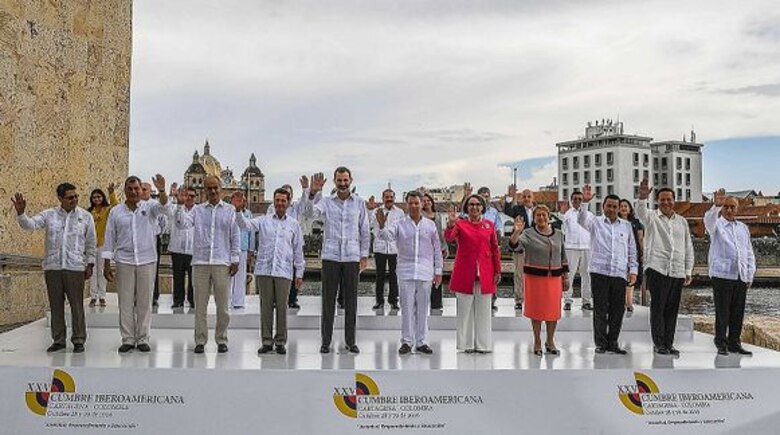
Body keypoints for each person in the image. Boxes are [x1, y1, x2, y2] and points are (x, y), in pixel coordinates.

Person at [13, 184, 97, 353]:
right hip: (53, 267)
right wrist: (21, 213)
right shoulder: (49, 215)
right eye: (70, 197)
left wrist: (90, 264)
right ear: (60, 198)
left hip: (75, 267)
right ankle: (58, 340)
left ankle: (78, 339)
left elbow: (91, 242)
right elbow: (30, 224)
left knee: (77, 306)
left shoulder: (85, 216)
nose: (74, 200)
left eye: (76, 196)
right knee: (56, 305)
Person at [299, 168, 370, 354]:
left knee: (351, 301)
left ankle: (350, 341)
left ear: (350, 180)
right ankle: (326, 341)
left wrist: (364, 255)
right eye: (339, 180)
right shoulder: (326, 202)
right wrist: (311, 193)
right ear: (334, 181)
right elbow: (309, 214)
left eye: (345, 180)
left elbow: (364, 229)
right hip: (331, 256)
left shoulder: (359, 203)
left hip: (351, 256)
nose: (343, 184)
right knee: (328, 301)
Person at [103, 175, 169, 353]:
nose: (133, 192)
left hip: (146, 260)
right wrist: (106, 263)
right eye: (130, 189)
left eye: (136, 189)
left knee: (144, 302)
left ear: (141, 190)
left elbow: (164, 206)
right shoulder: (116, 212)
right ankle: (128, 338)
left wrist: (162, 190)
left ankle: (143, 338)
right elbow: (109, 237)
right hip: (124, 261)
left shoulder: (150, 207)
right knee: (125, 302)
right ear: (125, 190)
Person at [175, 175, 240, 354]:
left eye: (215, 187)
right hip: (201, 263)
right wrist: (180, 205)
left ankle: (222, 339)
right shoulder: (197, 210)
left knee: (223, 307)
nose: (212, 191)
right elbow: (181, 224)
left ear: (220, 188)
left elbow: (235, 235)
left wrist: (235, 259)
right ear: (204, 190)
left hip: (221, 262)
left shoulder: (230, 210)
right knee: (200, 306)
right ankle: (200, 340)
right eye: (209, 188)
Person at [237, 187, 305, 355]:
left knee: (282, 308)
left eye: (283, 201)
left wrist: (299, 273)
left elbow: (298, 250)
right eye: (277, 200)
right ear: (273, 202)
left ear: (288, 203)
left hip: (284, 271)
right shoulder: (263, 220)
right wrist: (238, 211)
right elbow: (245, 225)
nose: (280, 203)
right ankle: (266, 341)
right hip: (265, 270)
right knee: (265, 307)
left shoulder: (294, 224)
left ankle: (280, 341)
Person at [377, 191, 443, 354]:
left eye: (416, 203)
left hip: (425, 272)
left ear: (422, 204)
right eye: (411, 203)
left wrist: (438, 271)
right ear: (407, 205)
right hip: (406, 272)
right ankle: (407, 341)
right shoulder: (400, 224)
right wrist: (381, 226)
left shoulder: (430, 225)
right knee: (406, 309)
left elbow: (437, 249)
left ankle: (421, 341)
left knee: (423, 309)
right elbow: (387, 236)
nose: (414, 206)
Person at [635, 180, 694, 356]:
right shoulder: (651, 217)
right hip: (657, 268)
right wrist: (642, 197)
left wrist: (688, 270)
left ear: (674, 201)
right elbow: (640, 212)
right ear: (657, 201)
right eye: (662, 199)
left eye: (669, 199)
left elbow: (688, 246)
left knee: (672, 310)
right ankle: (659, 343)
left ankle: (669, 343)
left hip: (677, 270)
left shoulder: (682, 222)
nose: (666, 202)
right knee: (658, 308)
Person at [578, 185, 637, 355]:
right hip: (599, 272)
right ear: (603, 207)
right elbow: (581, 220)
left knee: (618, 310)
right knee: (600, 309)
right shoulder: (595, 222)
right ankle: (601, 343)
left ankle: (613, 342)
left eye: (614, 206)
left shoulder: (626, 226)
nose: (611, 209)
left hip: (619, 273)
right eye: (608, 206)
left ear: (619, 208)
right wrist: (585, 203)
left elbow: (632, 249)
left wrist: (633, 270)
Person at [444, 195, 501, 354]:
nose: (474, 207)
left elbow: (495, 249)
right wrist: (451, 223)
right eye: (471, 204)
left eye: (477, 204)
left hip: (486, 272)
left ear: (482, 207)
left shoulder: (489, 225)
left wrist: (498, 270)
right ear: (466, 207)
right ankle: (466, 344)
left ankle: (483, 345)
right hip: (465, 272)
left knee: (484, 312)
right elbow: (449, 237)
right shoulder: (460, 224)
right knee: (464, 311)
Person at [509, 206, 568, 356]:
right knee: (536, 311)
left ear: (549, 217)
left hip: (554, 278)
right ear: (534, 218)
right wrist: (516, 231)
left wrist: (565, 276)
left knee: (553, 312)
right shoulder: (528, 233)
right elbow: (514, 246)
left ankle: (550, 341)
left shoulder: (559, 234)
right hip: (534, 279)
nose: (541, 218)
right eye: (538, 215)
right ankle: (537, 341)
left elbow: (563, 255)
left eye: (544, 215)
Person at [705, 189, 756, 356]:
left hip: (740, 275)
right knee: (722, 311)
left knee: (737, 311)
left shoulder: (743, 228)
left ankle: (735, 342)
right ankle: (721, 342)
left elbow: (748, 252)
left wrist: (749, 274)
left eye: (732, 207)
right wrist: (716, 206)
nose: (728, 210)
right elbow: (708, 221)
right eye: (726, 206)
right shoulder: (716, 225)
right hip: (722, 275)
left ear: (737, 209)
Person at [266, 179, 308, 309]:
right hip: (279, 243)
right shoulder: (272, 208)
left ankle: (292, 298)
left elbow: (304, 202)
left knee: (295, 271)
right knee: (276, 271)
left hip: (293, 242)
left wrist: (305, 189)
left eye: (289, 194)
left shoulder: (296, 207)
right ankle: (275, 299)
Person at [368, 189, 404, 310]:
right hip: (380, 248)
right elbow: (371, 225)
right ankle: (379, 301)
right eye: (386, 197)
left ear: (394, 198)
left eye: (391, 197)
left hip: (395, 248)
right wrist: (370, 210)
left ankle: (393, 301)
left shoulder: (400, 212)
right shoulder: (376, 211)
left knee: (394, 275)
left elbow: (401, 230)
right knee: (380, 275)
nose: (389, 199)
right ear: (383, 198)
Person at [87, 183, 119, 307]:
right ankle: (93, 296)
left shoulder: (107, 210)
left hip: (104, 244)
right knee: (93, 271)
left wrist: (111, 193)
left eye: (99, 197)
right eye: (94, 197)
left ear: (103, 198)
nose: (97, 199)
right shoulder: (89, 212)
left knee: (103, 270)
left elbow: (116, 205)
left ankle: (102, 296)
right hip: (91, 245)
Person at [504, 186, 535, 311]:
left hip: (535, 247)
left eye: (529, 196)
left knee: (534, 274)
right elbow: (507, 210)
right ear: (521, 198)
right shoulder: (517, 209)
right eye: (524, 196)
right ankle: (519, 299)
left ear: (533, 198)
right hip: (520, 245)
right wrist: (510, 197)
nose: (527, 199)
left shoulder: (538, 210)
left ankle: (533, 298)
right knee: (518, 274)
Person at [561, 190, 592, 311]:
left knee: (587, 275)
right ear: (571, 200)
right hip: (571, 247)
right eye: (575, 199)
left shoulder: (589, 215)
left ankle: (586, 301)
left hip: (587, 247)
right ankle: (567, 300)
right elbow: (563, 231)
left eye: (580, 199)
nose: (578, 201)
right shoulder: (567, 214)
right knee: (570, 275)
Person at [168, 185, 196, 309]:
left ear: (196, 197)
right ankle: (178, 300)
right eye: (186, 195)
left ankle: (193, 300)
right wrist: (173, 196)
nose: (189, 198)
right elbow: (166, 208)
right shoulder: (175, 208)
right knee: (178, 276)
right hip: (177, 249)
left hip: (193, 250)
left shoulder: (199, 211)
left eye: (192, 196)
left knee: (193, 278)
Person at [140, 182, 166, 308]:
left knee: (153, 269)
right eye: (141, 189)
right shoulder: (136, 205)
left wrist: (157, 233)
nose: (142, 191)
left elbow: (163, 222)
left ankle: (153, 296)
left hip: (153, 239)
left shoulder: (155, 205)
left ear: (150, 191)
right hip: (139, 241)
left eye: (145, 189)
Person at [422, 192, 449, 312]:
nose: (427, 202)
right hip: (425, 249)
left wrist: (445, 247)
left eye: (428, 200)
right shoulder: (420, 215)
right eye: (424, 201)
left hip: (438, 248)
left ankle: (436, 303)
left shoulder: (437, 215)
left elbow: (441, 233)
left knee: (437, 274)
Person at [618, 199, 645, 312]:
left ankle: (629, 301)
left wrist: (642, 253)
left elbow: (640, 239)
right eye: (621, 206)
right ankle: (621, 301)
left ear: (630, 209)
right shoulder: (615, 222)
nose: (623, 208)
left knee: (631, 277)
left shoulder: (636, 223)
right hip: (619, 252)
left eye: (626, 206)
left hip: (633, 252)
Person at [230, 191, 253, 310]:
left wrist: (251, 249)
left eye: (243, 200)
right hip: (230, 248)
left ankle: (238, 301)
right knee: (229, 275)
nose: (241, 202)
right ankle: (227, 300)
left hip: (243, 248)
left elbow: (251, 233)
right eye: (238, 200)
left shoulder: (248, 214)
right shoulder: (228, 212)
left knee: (241, 276)